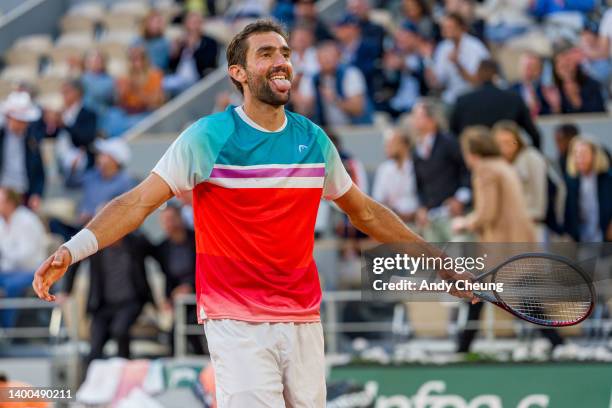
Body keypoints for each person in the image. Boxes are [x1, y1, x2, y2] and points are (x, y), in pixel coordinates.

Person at [33, 20, 473, 407]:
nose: (281, 61)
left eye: (285, 52)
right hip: (236, 320)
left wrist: (438, 262)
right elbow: (137, 203)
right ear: (238, 73)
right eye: (266, 54)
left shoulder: (314, 139)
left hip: (303, 316)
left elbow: (366, 212)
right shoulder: (207, 136)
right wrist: (73, 250)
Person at [453, 126, 563, 352]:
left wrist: (464, 222)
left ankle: (462, 349)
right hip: (518, 242)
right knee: (520, 300)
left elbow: (487, 213)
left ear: (472, 151)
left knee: (478, 295)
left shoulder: (484, 170)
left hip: (502, 247)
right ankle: (557, 342)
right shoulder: (502, 165)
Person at [59, 230, 155, 366]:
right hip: (102, 304)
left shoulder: (136, 241)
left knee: (120, 330)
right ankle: (91, 383)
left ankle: (124, 370)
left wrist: (172, 290)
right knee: (95, 347)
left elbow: (161, 255)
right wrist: (66, 290)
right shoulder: (95, 245)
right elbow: (75, 259)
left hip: (130, 302)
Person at [49, 139, 135, 242]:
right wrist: (73, 168)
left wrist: (94, 216)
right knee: (54, 224)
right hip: (81, 226)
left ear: (115, 160)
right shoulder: (94, 174)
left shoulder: (125, 182)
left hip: (104, 231)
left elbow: (123, 210)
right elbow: (70, 184)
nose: (99, 157)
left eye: (104, 155)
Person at [410, 101, 470, 241]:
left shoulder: (449, 142)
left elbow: (467, 171)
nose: (414, 120)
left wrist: (460, 198)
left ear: (432, 120)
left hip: (453, 214)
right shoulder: (416, 150)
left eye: (419, 116)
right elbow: (420, 185)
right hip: (431, 217)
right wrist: (422, 207)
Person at [450, 59, 541, 149]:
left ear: (478, 75)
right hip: (507, 157)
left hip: (476, 157)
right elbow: (534, 135)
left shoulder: (462, 101)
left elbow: (453, 136)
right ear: (497, 76)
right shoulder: (513, 98)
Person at [153, 201, 203, 355]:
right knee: (174, 332)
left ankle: (201, 360)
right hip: (179, 301)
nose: (168, 224)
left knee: (188, 325)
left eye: (171, 219)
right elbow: (167, 277)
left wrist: (190, 287)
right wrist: (167, 298)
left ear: (180, 218)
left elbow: (206, 270)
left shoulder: (198, 240)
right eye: (164, 221)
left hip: (201, 296)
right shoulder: (162, 248)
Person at [295, 41, 373, 126]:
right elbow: (303, 111)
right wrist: (294, 92)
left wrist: (334, 99)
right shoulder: (312, 79)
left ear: (339, 57)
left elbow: (358, 109)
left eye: (330, 56)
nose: (327, 60)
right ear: (317, 59)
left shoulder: (351, 74)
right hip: (326, 132)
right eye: (323, 57)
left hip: (355, 129)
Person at [0, 187, 47, 327]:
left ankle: (8, 330)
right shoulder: (1, 221)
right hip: (8, 270)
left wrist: (5, 257)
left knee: (10, 286)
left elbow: (27, 256)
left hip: (32, 271)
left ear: (10, 202)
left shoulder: (27, 220)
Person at [34, 80, 98, 182]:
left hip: (80, 161)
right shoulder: (61, 112)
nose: (63, 95)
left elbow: (86, 138)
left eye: (67, 92)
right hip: (59, 159)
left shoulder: (89, 114)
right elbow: (48, 134)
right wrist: (47, 121)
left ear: (78, 93)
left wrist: (65, 124)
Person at [492, 121, 548, 228]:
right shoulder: (496, 162)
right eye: (500, 143)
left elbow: (539, 193)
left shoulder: (532, 158)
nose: (504, 147)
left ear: (517, 140)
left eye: (509, 142)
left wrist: (533, 217)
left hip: (529, 222)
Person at [104, 45, 165, 137]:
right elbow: (119, 101)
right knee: (111, 115)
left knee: (130, 124)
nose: (136, 62)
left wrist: (135, 89)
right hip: (126, 110)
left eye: (139, 58)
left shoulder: (155, 74)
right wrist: (121, 91)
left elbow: (155, 101)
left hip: (145, 111)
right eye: (132, 59)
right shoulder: (124, 76)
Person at [429, 12, 489, 104]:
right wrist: (427, 61)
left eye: (450, 27)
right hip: (451, 98)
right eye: (444, 27)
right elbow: (438, 83)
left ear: (461, 27)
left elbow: (478, 81)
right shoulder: (443, 48)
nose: (445, 31)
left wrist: (457, 64)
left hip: (474, 97)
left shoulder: (475, 46)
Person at [0, 92, 44, 210]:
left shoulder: (31, 139)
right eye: (19, 120)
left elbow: (39, 171)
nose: (22, 125)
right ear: (9, 117)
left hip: (24, 192)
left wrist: (37, 194)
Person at [563, 138, 612, 242]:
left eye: (584, 153)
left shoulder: (607, 178)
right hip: (582, 240)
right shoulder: (571, 182)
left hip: (605, 239)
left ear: (594, 155)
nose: (579, 158)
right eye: (576, 154)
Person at [164, 11, 220, 96]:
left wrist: (193, 48)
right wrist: (175, 52)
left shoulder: (210, 42)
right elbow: (171, 66)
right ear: (186, 25)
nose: (194, 26)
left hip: (198, 79)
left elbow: (208, 64)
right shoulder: (181, 42)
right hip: (179, 79)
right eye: (192, 23)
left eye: (197, 22)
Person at [372, 128, 419, 222]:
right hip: (391, 220)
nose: (387, 148)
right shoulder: (384, 169)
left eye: (391, 144)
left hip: (416, 219)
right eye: (386, 145)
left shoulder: (419, 167)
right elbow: (378, 199)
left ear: (405, 145)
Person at [547, 46, 606, 114]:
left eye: (568, 62)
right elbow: (545, 118)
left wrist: (575, 98)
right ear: (555, 68)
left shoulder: (591, 85)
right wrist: (556, 107)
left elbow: (599, 113)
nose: (565, 66)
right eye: (560, 64)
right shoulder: (550, 90)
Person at [510, 52, 552, 117]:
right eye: (526, 66)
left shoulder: (546, 90)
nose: (528, 70)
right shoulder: (511, 89)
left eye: (532, 66)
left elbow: (550, 112)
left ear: (540, 70)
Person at [81, 50, 115, 117]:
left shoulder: (109, 79)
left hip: (105, 112)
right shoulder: (83, 79)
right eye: (93, 61)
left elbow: (111, 97)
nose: (96, 64)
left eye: (98, 61)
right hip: (87, 113)